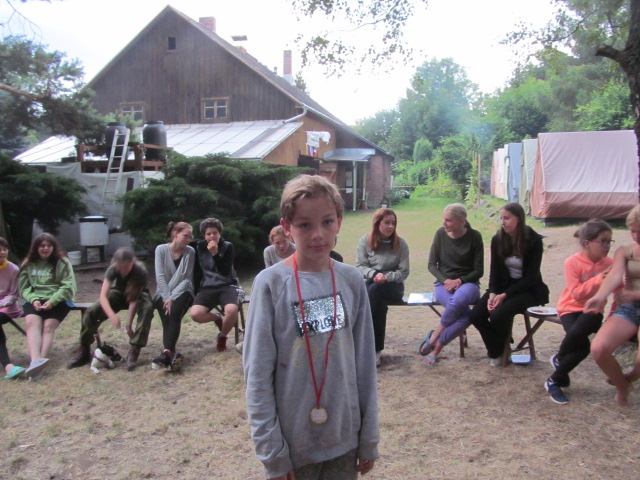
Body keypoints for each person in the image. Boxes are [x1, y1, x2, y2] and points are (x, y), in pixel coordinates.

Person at [244, 174, 379, 479]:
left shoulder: (352, 280)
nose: (318, 235)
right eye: (305, 225)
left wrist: (368, 437)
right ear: (287, 227)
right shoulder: (270, 284)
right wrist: (272, 453)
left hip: (344, 441)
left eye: (327, 222)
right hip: (294, 447)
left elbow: (364, 364)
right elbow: (257, 375)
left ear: (339, 222)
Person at [544, 219, 615, 405]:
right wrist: (600, 278)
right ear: (587, 243)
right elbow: (576, 293)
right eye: (603, 241)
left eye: (609, 241)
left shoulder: (610, 263)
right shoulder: (572, 262)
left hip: (594, 310)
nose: (607, 246)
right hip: (569, 308)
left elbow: (618, 289)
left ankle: (558, 363)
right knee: (582, 348)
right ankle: (556, 377)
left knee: (584, 325)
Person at [469, 202, 549, 366]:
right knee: (476, 315)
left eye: (507, 218)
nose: (503, 222)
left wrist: (505, 295)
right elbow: (494, 271)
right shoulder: (497, 239)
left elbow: (531, 277)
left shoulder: (534, 241)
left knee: (498, 315)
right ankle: (499, 347)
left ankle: (497, 352)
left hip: (528, 289)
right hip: (504, 286)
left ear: (518, 219)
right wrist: (493, 293)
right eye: (501, 218)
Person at [585, 205, 640, 406]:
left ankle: (631, 377)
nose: (636, 236)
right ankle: (622, 386)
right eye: (633, 231)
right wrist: (600, 296)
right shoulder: (625, 251)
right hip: (630, 307)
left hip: (632, 298)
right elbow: (615, 275)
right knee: (599, 348)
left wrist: (634, 293)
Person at [67, 247, 154, 371]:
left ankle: (135, 349)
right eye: (120, 268)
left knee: (147, 307)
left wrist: (128, 325)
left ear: (132, 262)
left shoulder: (140, 270)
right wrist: (111, 314)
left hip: (138, 296)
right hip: (119, 293)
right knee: (91, 310)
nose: (123, 271)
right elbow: (103, 296)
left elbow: (133, 299)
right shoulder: (113, 269)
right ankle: (84, 348)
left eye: (126, 267)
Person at [420, 203, 483, 366]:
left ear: (461, 221)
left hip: (468, 284)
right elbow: (431, 265)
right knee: (466, 316)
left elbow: (479, 270)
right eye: (444, 219)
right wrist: (445, 280)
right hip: (443, 285)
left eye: (448, 220)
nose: (444, 223)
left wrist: (460, 281)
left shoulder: (475, 236)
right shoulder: (440, 234)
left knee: (458, 300)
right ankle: (436, 349)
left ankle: (434, 340)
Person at [356, 207, 410, 366]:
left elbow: (404, 272)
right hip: (372, 284)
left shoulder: (401, 244)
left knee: (373, 293)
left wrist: (386, 277)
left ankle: (364, 344)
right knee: (376, 301)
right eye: (387, 222)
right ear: (377, 223)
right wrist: (374, 274)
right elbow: (360, 266)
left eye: (393, 223)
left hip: (393, 287)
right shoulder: (364, 241)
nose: (390, 226)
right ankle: (375, 350)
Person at [19, 233, 76, 378]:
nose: (45, 248)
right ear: (36, 248)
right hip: (35, 299)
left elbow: (68, 286)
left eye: (49, 246)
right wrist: (33, 299)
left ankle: (39, 364)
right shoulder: (28, 263)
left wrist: (53, 301)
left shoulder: (62, 262)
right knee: (32, 323)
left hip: (59, 299)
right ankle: (35, 361)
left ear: (53, 247)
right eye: (42, 246)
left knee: (48, 327)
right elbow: (24, 288)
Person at [189, 217, 239, 352]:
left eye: (215, 233)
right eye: (208, 234)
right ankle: (218, 318)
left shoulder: (227, 246)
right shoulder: (199, 248)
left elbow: (225, 271)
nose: (212, 236)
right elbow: (197, 272)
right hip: (207, 287)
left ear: (220, 233)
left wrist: (215, 254)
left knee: (231, 310)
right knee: (195, 314)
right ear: (204, 235)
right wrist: (196, 292)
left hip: (227, 285)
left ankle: (222, 336)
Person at [151, 221, 195, 371]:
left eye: (190, 237)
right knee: (166, 315)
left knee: (174, 311)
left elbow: (186, 279)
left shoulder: (190, 252)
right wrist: (166, 297)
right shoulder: (161, 250)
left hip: (183, 291)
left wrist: (172, 298)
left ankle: (166, 353)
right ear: (175, 234)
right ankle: (169, 353)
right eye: (185, 236)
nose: (188, 239)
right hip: (163, 292)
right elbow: (160, 277)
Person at [0, 237, 26, 379]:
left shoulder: (13, 269)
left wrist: (3, 303)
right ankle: (8, 366)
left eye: (4, 249)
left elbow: (14, 294)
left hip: (7, 308)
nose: (2, 252)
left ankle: (8, 366)